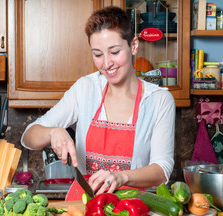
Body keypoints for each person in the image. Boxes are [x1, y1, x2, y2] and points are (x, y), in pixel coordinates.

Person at [21, 6, 175, 196]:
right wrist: (53, 132)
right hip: (83, 207)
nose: (107, 63)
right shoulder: (85, 89)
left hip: (131, 210)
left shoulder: (159, 100)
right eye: (98, 55)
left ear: (133, 46)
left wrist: (121, 177)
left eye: (115, 51)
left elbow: (162, 169)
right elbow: (29, 137)